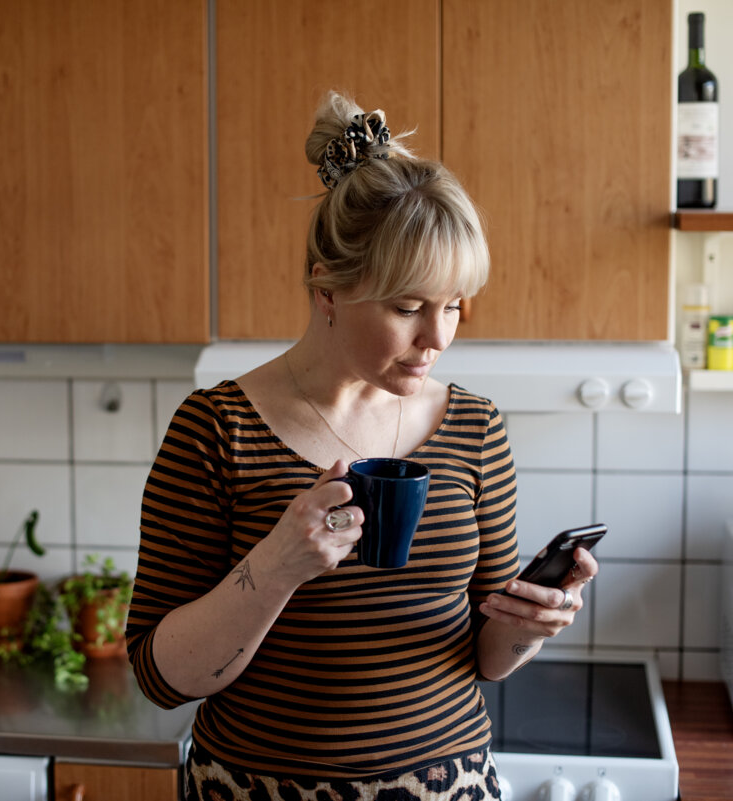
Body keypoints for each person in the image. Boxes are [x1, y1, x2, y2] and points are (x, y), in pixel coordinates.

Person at [126, 91, 598, 801]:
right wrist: (278, 565)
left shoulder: (476, 428)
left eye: (454, 307)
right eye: (408, 307)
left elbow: (488, 657)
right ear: (327, 288)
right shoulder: (216, 429)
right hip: (256, 789)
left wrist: (535, 623)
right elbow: (160, 678)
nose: (437, 338)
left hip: (446, 787)